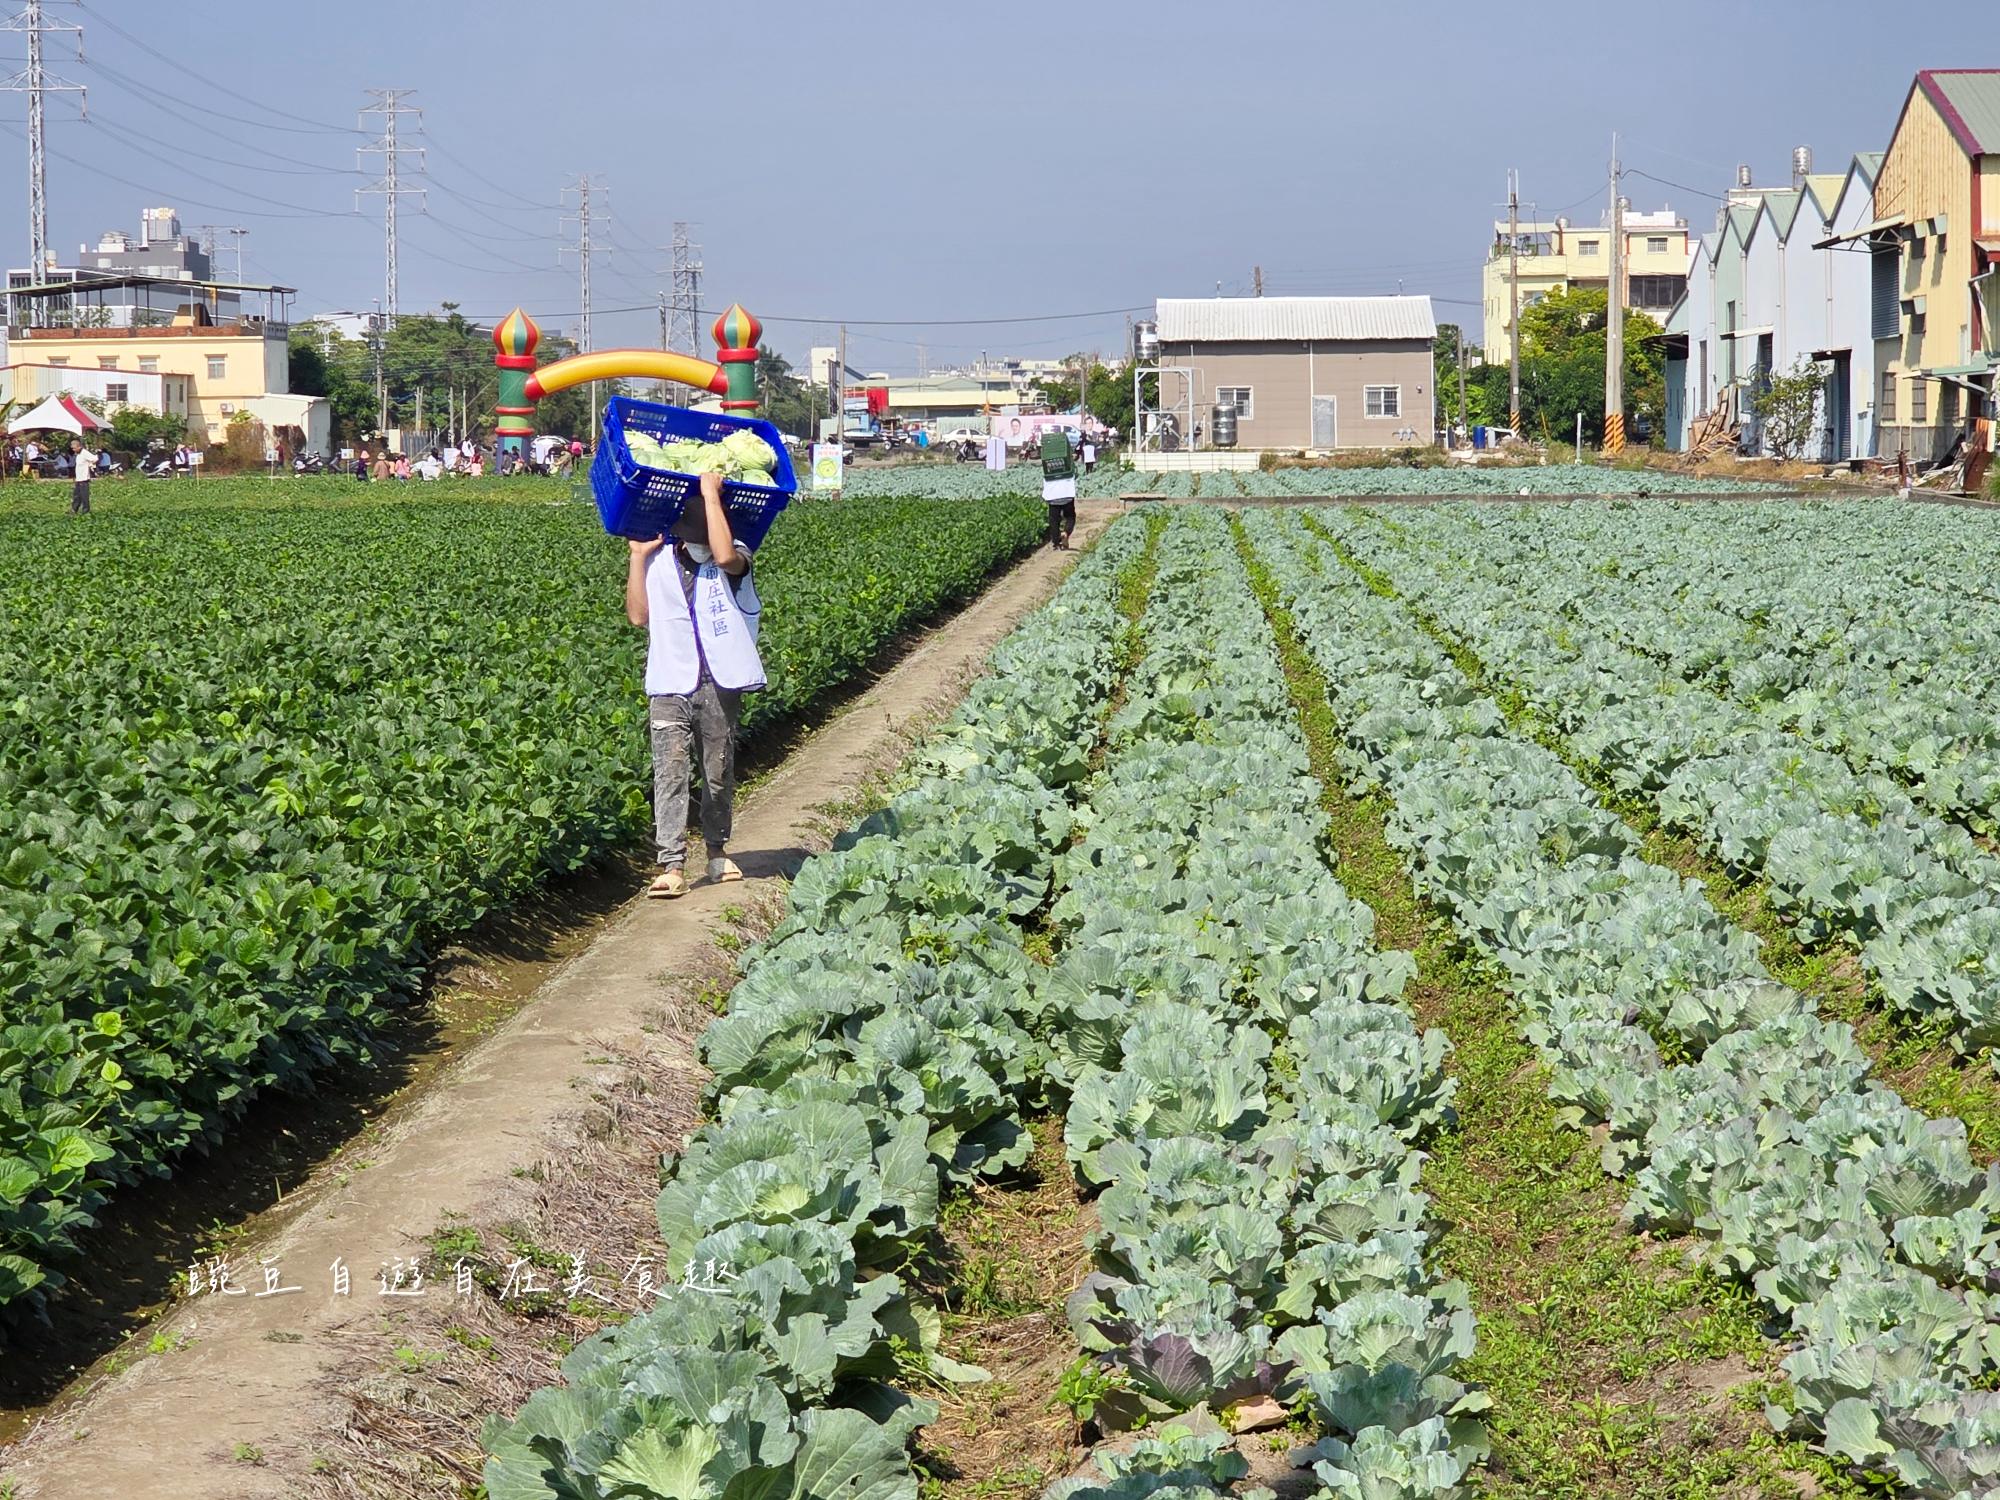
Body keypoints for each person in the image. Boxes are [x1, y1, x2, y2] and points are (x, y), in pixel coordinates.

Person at [625, 472, 763, 899]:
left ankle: (717, 852)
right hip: (669, 681)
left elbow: (723, 557)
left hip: (719, 682)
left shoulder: (738, 555)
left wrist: (710, 494)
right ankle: (671, 863)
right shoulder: (659, 559)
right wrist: (636, 556)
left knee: (717, 769)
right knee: (670, 771)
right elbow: (638, 616)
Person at [1039, 427, 1077, 551]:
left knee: (1054, 520)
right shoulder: (1068, 466)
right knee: (1070, 517)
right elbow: (1074, 474)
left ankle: (1055, 542)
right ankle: (1066, 533)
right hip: (1067, 494)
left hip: (1052, 496)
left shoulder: (1048, 466)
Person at [69, 439, 94, 515]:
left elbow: (95, 458)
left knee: (84, 496)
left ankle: (86, 511)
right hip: (79, 478)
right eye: (72, 448)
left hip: (84, 478)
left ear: (79, 446)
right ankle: (74, 510)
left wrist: (90, 465)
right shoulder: (78, 455)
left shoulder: (85, 453)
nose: (73, 450)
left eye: (74, 448)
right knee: (76, 495)